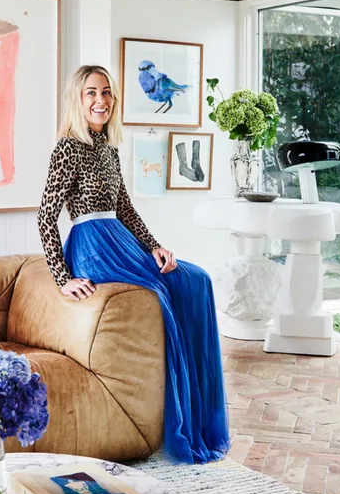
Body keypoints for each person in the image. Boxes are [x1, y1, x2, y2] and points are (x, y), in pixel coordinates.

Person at [37, 64, 231, 465]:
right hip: (91, 245)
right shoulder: (67, 148)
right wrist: (63, 278)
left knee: (196, 281)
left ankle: (198, 417)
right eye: (91, 93)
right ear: (77, 99)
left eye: (106, 93)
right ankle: (175, 423)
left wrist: (156, 247)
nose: (100, 101)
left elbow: (124, 207)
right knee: (160, 294)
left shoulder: (108, 148)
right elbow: (45, 215)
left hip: (120, 238)